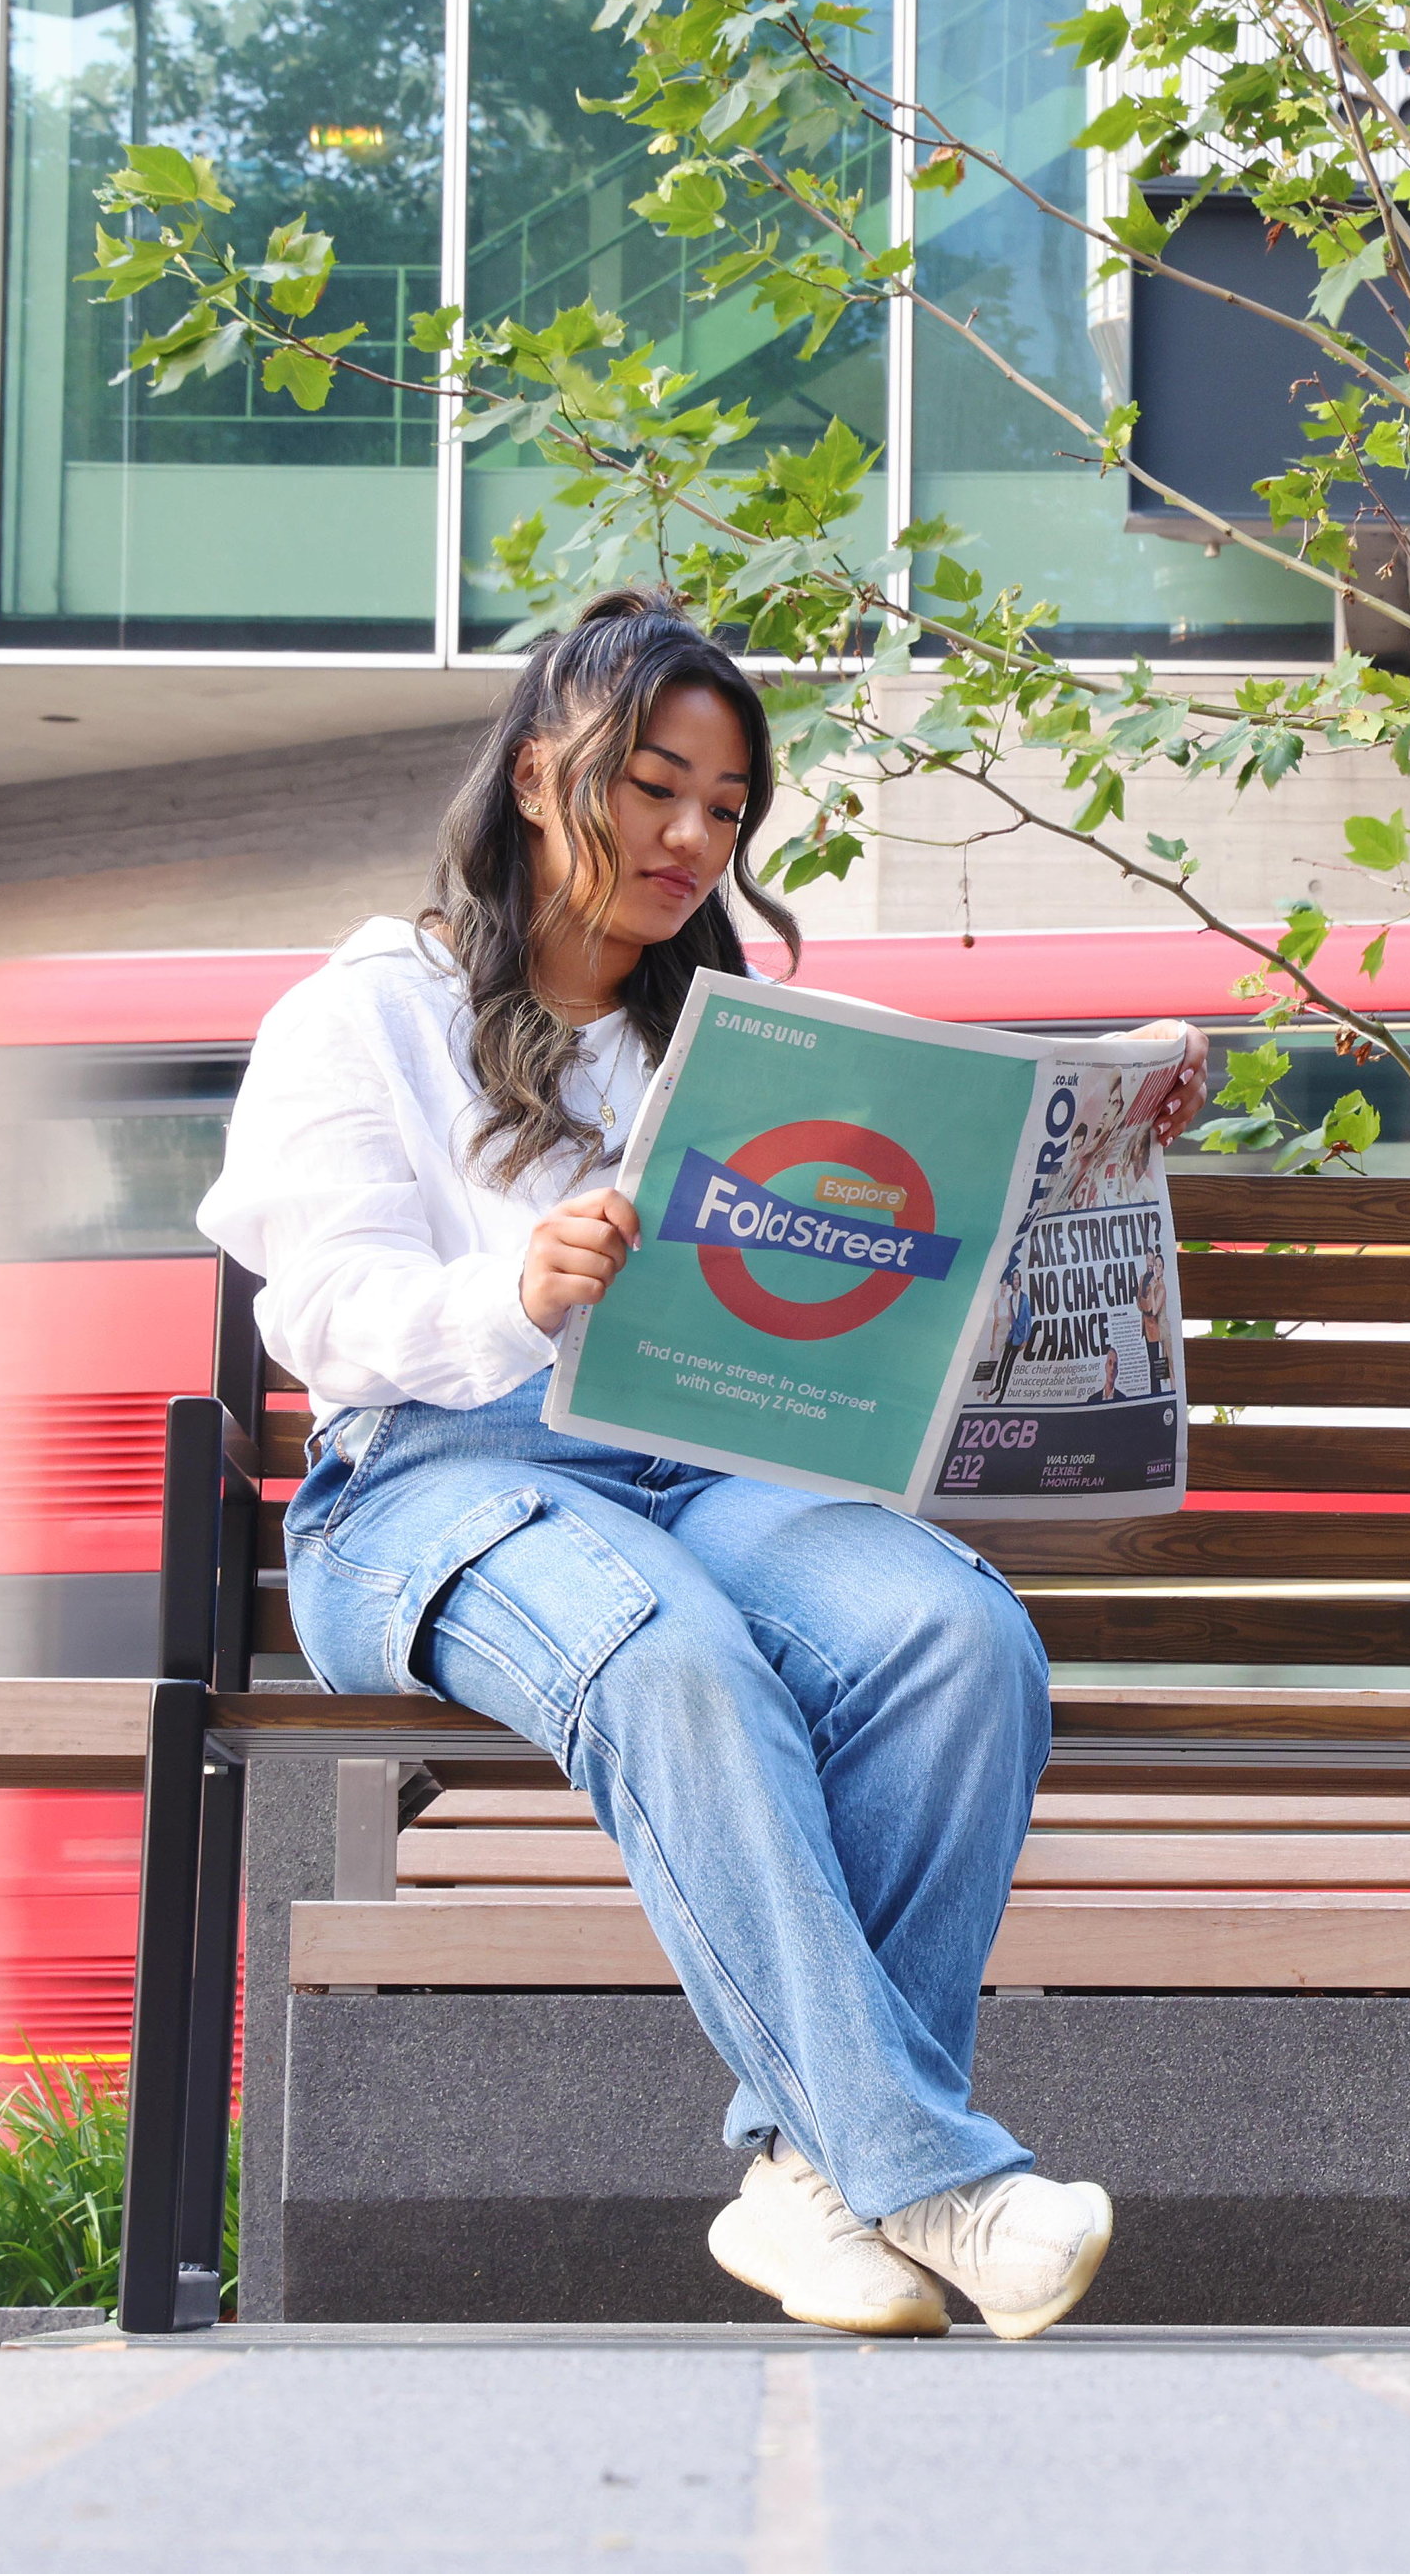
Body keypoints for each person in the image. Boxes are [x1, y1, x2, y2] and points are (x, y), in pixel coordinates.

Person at [196, 590, 1208, 2339]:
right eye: (654, 785)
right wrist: (506, 1287)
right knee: (671, 1651)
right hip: (430, 1485)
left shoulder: (732, 1044)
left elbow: (873, 1262)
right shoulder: (360, 1013)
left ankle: (810, 2185)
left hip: (691, 1469)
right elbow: (329, 1309)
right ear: (536, 775)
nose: (692, 837)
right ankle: (940, 2180)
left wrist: (1096, 1134)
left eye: (728, 809)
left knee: (960, 1639)